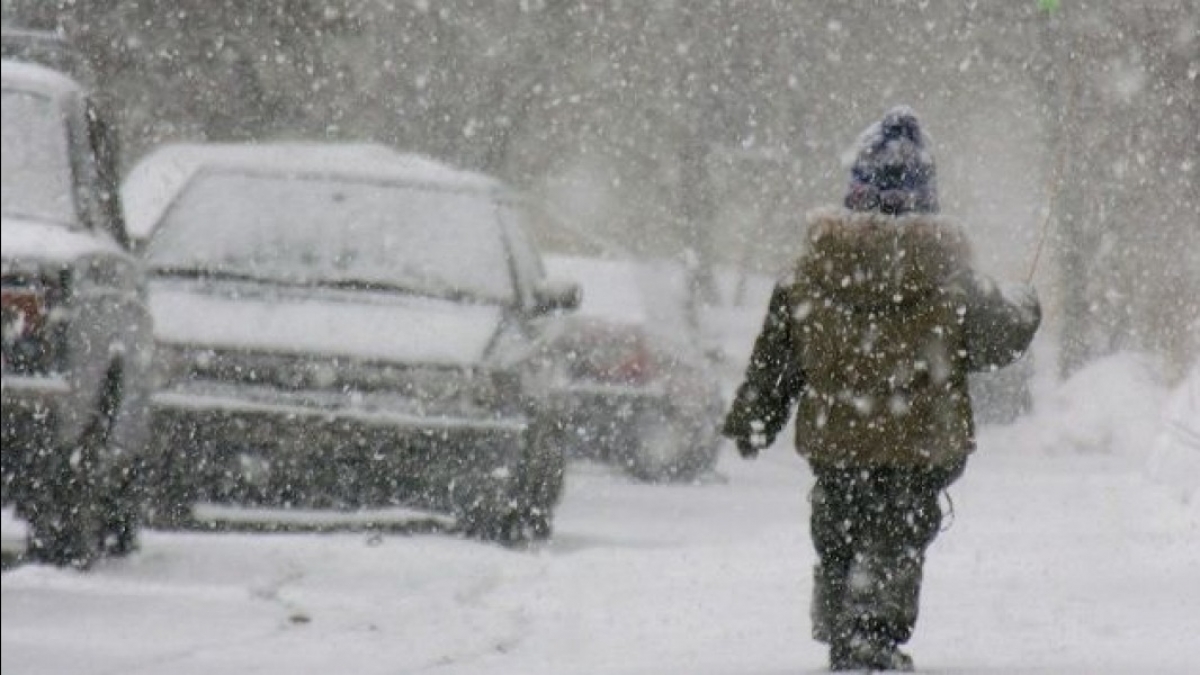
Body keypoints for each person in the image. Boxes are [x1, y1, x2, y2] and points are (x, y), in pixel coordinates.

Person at [721, 105, 1041, 672]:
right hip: (921, 445)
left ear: (855, 192)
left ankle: (843, 624)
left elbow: (777, 360)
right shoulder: (952, 279)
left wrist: (756, 419)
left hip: (836, 440)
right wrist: (1026, 303)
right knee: (898, 534)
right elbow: (1000, 341)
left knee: (837, 526)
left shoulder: (809, 274)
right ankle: (872, 635)